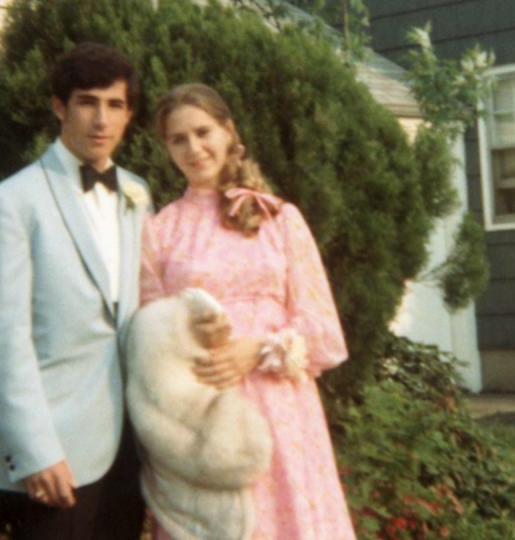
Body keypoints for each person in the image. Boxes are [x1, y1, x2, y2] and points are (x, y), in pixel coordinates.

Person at [139, 83, 356, 540]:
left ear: (228, 131)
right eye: (179, 139)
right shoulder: (160, 231)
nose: (194, 148)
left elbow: (325, 332)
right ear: (166, 148)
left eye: (203, 132)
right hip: (208, 413)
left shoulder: (280, 219)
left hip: (283, 410)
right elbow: (150, 341)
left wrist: (258, 349)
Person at [0, 42, 149, 539]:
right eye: (87, 102)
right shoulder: (10, 203)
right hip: (58, 450)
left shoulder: (138, 193)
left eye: (115, 105)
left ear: (129, 114)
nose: (101, 120)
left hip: (131, 446)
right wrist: (35, 450)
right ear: (59, 106)